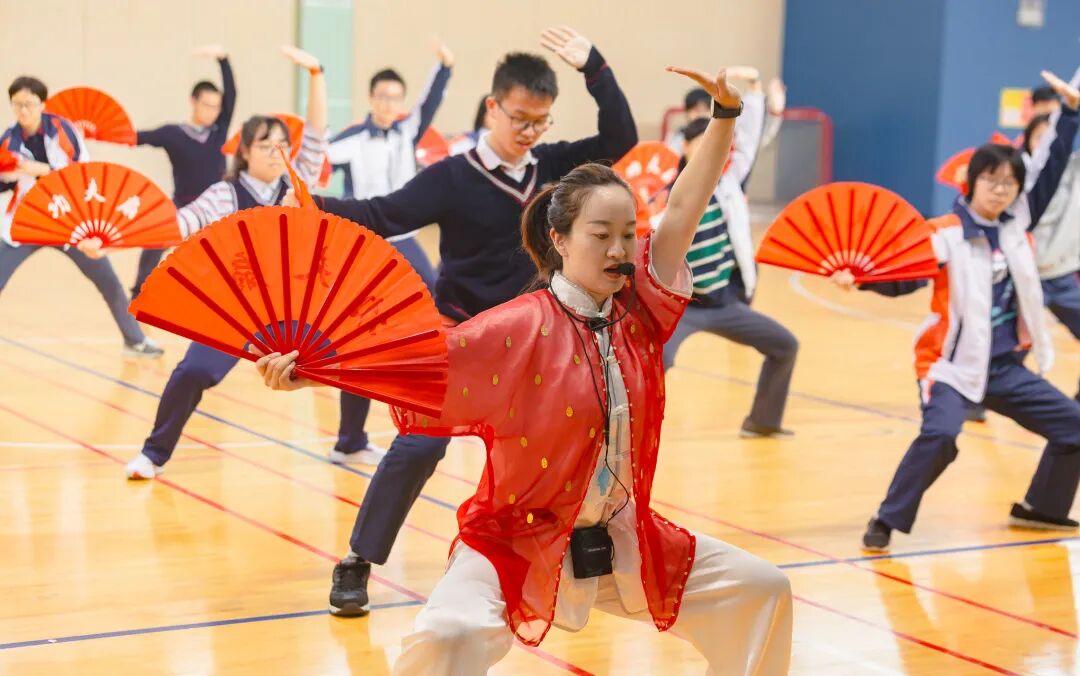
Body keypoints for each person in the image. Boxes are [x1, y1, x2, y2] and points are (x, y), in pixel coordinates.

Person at [258, 64, 791, 676]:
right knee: (450, 632)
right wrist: (312, 371)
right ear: (560, 240)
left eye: (627, 234)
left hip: (625, 540)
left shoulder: (641, 309)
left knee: (762, 590)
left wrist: (726, 116)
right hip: (514, 540)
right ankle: (362, 558)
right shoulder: (516, 327)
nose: (619, 249)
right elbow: (416, 363)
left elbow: (684, 207)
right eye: (601, 235)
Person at [290, 26, 638, 618]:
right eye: (520, 118)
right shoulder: (452, 177)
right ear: (492, 107)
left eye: (541, 121)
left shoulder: (554, 170)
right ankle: (358, 559)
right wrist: (306, 203)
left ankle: (566, 551)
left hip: (534, 345)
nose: (529, 131)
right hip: (461, 342)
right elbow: (382, 213)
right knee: (419, 445)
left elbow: (620, 137)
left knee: (572, 443)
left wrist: (595, 67)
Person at [832, 70, 1080, 552]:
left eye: (1009, 183)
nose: (1001, 191)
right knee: (942, 435)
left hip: (1005, 368)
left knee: (1074, 428)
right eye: (991, 181)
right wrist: (860, 278)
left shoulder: (1017, 224)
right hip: (949, 366)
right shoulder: (944, 232)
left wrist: (1070, 113)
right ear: (971, 182)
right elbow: (904, 277)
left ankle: (1043, 508)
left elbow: (1049, 168)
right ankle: (887, 519)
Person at [120, 45, 337, 479]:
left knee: (349, 359)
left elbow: (316, 133)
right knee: (193, 371)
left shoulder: (298, 185)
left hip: (293, 309)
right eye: (265, 144)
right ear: (245, 151)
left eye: (282, 144)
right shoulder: (224, 194)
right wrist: (115, 241)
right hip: (238, 309)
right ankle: (153, 455)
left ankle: (351, 440)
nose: (276, 151)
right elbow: (179, 225)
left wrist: (316, 73)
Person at [659, 69, 799, 438]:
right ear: (684, 148)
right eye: (699, 143)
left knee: (785, 345)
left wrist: (753, 90)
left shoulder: (729, 184)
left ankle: (763, 421)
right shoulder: (667, 194)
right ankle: (632, 431)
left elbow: (749, 139)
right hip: (681, 307)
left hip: (725, 302)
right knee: (655, 361)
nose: (710, 150)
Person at [0, 75, 162, 357]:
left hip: (69, 222)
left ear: (42, 104)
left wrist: (38, 169)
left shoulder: (63, 130)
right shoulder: (8, 140)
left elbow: (78, 173)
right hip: (27, 222)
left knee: (108, 280)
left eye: (29, 103)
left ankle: (135, 340)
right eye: (17, 104)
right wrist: (8, 175)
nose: (23, 110)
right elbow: (5, 183)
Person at [327, 39, 454, 294]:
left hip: (400, 231)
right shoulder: (351, 140)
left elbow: (429, 103)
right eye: (383, 97)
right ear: (371, 97)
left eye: (396, 98)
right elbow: (318, 164)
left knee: (429, 288)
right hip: (363, 234)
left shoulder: (407, 132)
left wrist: (445, 67)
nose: (389, 104)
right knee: (351, 294)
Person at [131, 45, 237, 299]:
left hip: (218, 209)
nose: (212, 111)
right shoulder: (173, 134)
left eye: (216, 107)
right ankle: (138, 295)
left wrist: (223, 59)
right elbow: (138, 137)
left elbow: (232, 94)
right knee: (154, 240)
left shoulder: (219, 130)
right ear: (193, 102)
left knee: (229, 260)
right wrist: (101, 132)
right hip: (183, 205)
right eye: (207, 105)